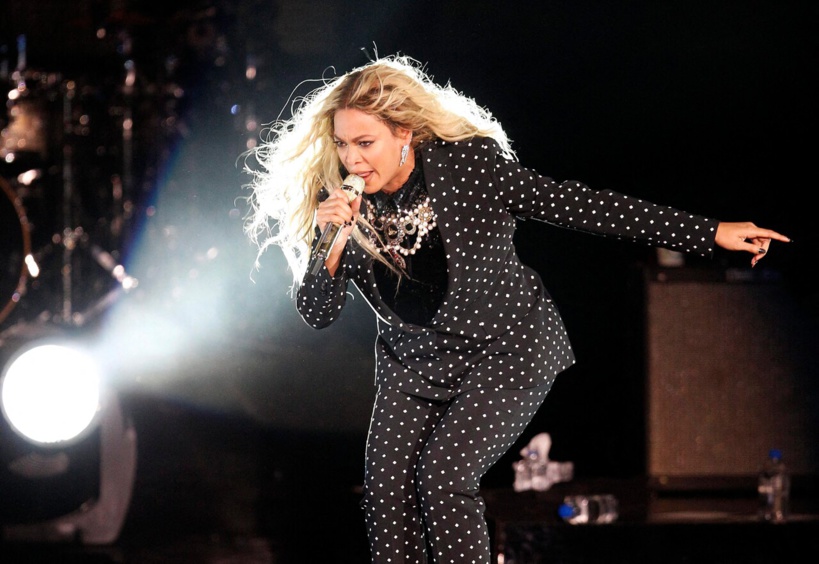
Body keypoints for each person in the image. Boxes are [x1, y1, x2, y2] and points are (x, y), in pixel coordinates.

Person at [243, 53, 790, 563]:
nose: (352, 160)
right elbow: (317, 311)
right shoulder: (339, 208)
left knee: (442, 476)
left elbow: (583, 207)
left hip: (506, 351)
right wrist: (329, 241)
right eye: (342, 145)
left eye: (365, 143)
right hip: (416, 362)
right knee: (385, 496)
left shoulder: (469, 169)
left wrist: (710, 233)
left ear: (404, 133)